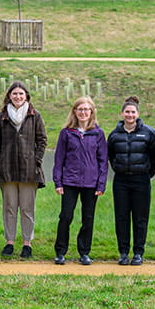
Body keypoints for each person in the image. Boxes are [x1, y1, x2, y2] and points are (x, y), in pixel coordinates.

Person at [0, 81, 47, 259]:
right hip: (7, 169)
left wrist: (36, 160)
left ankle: (27, 243)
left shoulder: (35, 116)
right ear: (9, 96)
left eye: (21, 94)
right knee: (9, 207)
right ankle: (9, 241)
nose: (17, 97)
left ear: (26, 97)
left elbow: (42, 140)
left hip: (28, 170)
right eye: (14, 94)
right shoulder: (2, 117)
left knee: (27, 208)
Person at [52, 96, 107, 266]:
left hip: (91, 183)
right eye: (80, 109)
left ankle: (84, 252)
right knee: (66, 216)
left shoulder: (98, 133)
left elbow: (103, 161)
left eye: (86, 109)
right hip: (70, 181)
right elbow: (59, 159)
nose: (83, 112)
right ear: (75, 112)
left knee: (88, 218)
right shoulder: (66, 133)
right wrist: (58, 182)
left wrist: (101, 183)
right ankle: (60, 252)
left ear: (91, 112)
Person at [108, 96, 155, 266]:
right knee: (121, 217)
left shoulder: (148, 133)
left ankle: (138, 253)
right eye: (127, 112)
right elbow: (111, 156)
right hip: (121, 181)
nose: (130, 115)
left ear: (138, 113)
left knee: (140, 218)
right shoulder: (115, 135)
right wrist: (120, 168)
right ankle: (123, 252)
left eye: (133, 112)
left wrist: (146, 174)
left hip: (141, 181)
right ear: (122, 113)